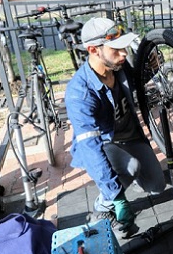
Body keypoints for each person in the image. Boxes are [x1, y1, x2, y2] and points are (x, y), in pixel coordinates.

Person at [65, 17, 165, 234]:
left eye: (124, 47)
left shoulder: (118, 66)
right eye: (116, 50)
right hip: (105, 144)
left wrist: (152, 69)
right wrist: (116, 197)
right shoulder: (79, 93)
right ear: (94, 50)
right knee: (131, 167)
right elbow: (90, 147)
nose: (124, 54)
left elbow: (137, 79)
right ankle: (102, 206)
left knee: (157, 186)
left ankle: (128, 175)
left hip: (131, 137)